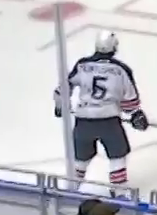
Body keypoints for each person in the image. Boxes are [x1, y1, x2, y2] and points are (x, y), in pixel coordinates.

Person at [54, 31, 147, 183]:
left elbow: (62, 90)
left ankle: (71, 188)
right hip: (108, 120)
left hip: (83, 120)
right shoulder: (121, 70)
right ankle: (119, 191)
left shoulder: (82, 65)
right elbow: (129, 100)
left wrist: (60, 106)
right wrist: (136, 114)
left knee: (80, 159)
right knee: (117, 156)